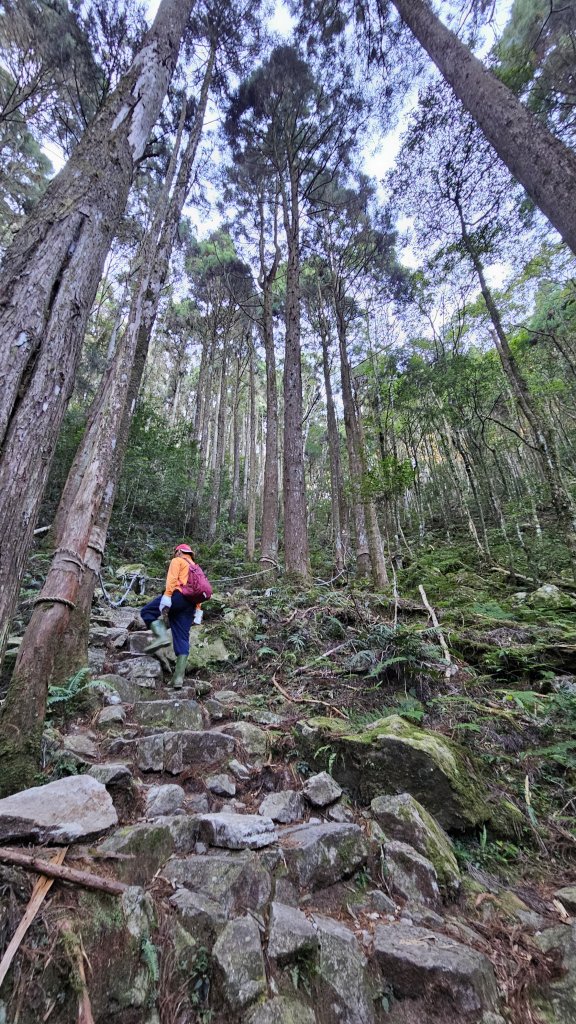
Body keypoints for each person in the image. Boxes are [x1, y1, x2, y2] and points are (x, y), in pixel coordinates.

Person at [140, 543, 203, 688]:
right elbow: (199, 590)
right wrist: (198, 611)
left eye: (175, 552)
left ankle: (161, 637)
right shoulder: (197, 568)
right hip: (191, 605)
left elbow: (172, 580)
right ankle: (178, 679)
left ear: (180, 551)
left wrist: (167, 597)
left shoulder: (178, 561)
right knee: (181, 637)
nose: (174, 555)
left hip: (177, 596)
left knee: (147, 612)